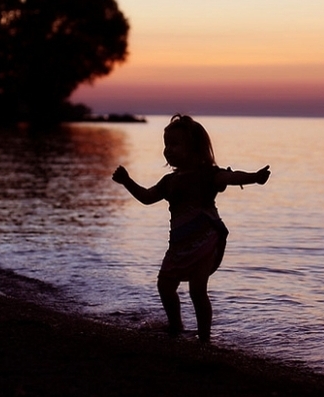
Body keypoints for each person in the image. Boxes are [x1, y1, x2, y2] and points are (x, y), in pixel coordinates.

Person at [112, 114, 270, 342]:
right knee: (165, 285)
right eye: (166, 144)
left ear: (195, 148)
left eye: (175, 144)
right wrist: (127, 181)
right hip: (178, 244)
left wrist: (254, 177)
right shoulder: (169, 182)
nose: (168, 150)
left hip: (206, 241)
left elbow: (230, 176)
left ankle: (204, 338)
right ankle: (176, 325)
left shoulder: (208, 175)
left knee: (197, 290)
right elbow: (147, 197)